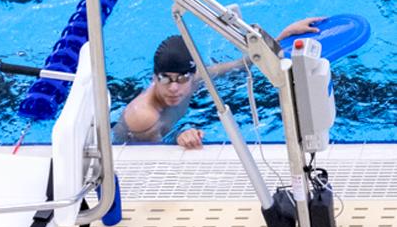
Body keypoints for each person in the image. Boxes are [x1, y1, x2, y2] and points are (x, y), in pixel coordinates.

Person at [112, 17, 323, 149]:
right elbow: (151, 162)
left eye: (182, 79)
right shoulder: (143, 117)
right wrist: (179, 136)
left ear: (193, 74)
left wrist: (284, 37)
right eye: (165, 79)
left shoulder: (196, 78)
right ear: (153, 78)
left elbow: (245, 64)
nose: (174, 88)